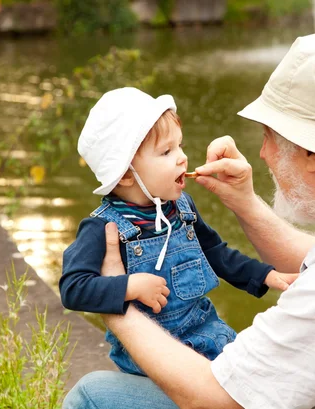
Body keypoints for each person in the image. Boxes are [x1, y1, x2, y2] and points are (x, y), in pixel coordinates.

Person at [63, 34, 315, 408]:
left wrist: (118, 303)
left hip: (217, 373)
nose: (261, 154)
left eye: (269, 137)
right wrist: (246, 206)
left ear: (313, 154)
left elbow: (211, 400)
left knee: (91, 393)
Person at [60, 87, 297, 376]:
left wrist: (264, 274)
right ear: (124, 174)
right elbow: (73, 288)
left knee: (271, 368)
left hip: (208, 337)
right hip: (153, 363)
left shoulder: (181, 208)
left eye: (180, 146)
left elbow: (215, 252)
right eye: (166, 151)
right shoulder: (103, 227)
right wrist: (129, 286)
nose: (182, 158)